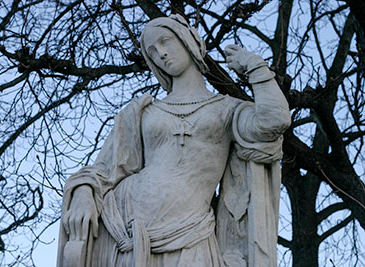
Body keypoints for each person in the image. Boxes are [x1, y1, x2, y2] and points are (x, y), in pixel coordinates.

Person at [56, 14, 291, 267]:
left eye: (165, 41)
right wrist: (82, 194)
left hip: (191, 234)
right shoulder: (142, 111)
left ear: (188, 40)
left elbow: (274, 121)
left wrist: (255, 68)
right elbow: (103, 170)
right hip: (121, 229)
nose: (161, 54)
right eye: (152, 52)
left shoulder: (227, 109)